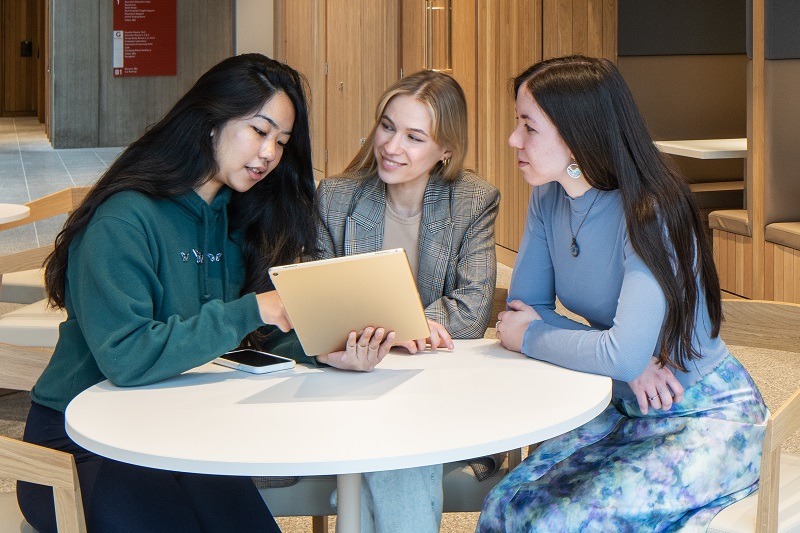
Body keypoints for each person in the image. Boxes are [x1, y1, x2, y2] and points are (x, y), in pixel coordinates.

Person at [17, 53, 317, 533]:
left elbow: (257, 338)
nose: (270, 154)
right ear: (209, 122)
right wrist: (252, 309)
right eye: (259, 131)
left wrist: (331, 345)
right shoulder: (125, 219)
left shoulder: (239, 219)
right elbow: (126, 357)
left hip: (178, 436)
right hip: (79, 446)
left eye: (281, 142)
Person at [478, 55, 768, 531]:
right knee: (505, 506)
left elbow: (552, 336)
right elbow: (524, 312)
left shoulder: (651, 211)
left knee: (558, 521)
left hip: (704, 414)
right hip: (617, 401)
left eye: (528, 126)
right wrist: (615, 359)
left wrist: (547, 339)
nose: (514, 139)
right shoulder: (548, 196)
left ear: (576, 136)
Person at [316, 70, 500, 532]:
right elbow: (318, 304)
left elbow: (472, 310)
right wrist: (408, 327)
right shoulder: (336, 198)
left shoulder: (472, 201)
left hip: (437, 389)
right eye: (387, 126)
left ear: (446, 150)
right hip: (353, 387)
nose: (392, 146)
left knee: (393, 455)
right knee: (396, 453)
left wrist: (380, 329)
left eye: (414, 137)